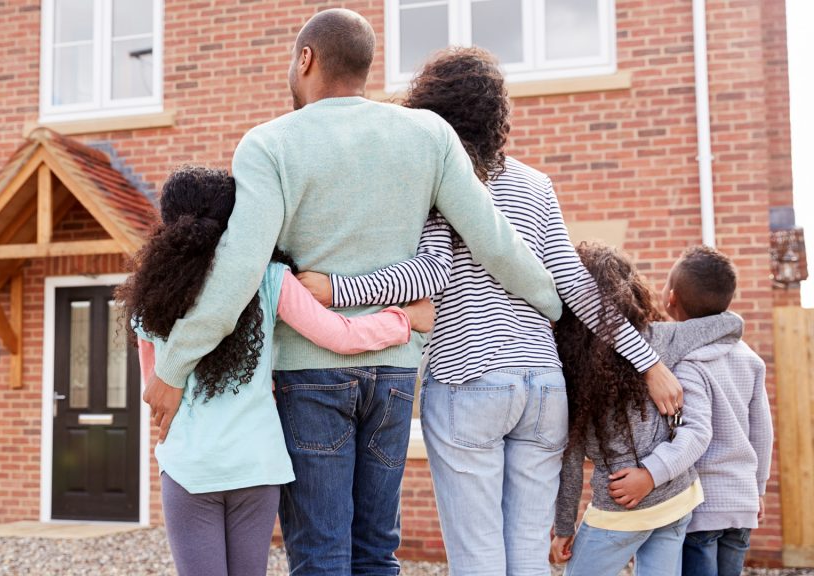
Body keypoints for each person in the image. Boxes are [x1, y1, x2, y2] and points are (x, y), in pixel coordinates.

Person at [140, 9, 573, 575]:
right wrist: (553, 305)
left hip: (309, 376)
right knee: (376, 551)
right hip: (394, 373)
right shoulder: (429, 134)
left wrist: (173, 368)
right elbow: (495, 242)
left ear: (306, 59)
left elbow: (240, 271)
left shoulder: (268, 144)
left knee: (321, 553)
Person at [296, 47, 684, 576]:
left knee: (478, 559)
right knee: (527, 557)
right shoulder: (535, 184)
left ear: (432, 106)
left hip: (469, 380)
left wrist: (337, 289)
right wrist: (650, 363)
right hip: (544, 389)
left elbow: (429, 273)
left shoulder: (438, 180)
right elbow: (573, 283)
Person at [118, 166, 434, 576]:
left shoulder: (149, 299)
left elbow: (157, 391)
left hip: (190, 467)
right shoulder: (269, 279)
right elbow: (340, 335)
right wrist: (406, 320)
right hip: (257, 466)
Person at [548, 242, 742, 576]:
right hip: (678, 497)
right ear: (632, 293)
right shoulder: (663, 339)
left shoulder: (570, 371)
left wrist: (564, 526)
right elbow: (731, 323)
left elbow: (571, 459)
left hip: (622, 507)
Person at [662, 247, 772, 576]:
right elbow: (762, 432)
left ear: (671, 299)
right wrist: (759, 488)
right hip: (741, 500)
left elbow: (694, 433)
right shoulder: (750, 359)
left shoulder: (689, 362)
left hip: (702, 506)